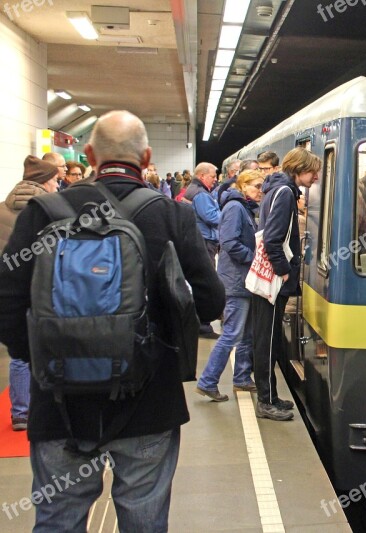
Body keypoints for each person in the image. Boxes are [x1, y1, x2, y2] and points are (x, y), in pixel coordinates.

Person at [0, 110, 225, 531]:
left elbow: (7, 303)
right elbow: (212, 301)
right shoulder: (171, 214)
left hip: (60, 401)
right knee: (143, 521)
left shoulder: (43, 211)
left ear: (89, 154)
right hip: (148, 402)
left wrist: (43, 358)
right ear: (147, 156)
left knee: (57, 522)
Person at [251, 147, 320, 421]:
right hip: (274, 279)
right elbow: (272, 240)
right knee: (266, 341)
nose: (315, 177)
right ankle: (265, 401)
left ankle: (271, 396)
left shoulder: (278, 190)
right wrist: (285, 272)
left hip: (274, 280)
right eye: (313, 171)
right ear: (299, 169)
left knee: (269, 340)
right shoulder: (284, 194)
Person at [0, 155, 60, 432]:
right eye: (56, 180)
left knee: (18, 354)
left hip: (8, 287)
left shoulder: (2, 208)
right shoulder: (49, 211)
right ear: (46, 181)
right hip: (42, 290)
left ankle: (20, 412)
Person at [195, 169, 263, 402]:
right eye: (256, 185)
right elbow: (229, 243)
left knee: (246, 333)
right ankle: (208, 381)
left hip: (242, 280)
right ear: (243, 186)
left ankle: (242, 377)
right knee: (232, 333)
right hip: (236, 280)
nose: (260, 191)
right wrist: (254, 258)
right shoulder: (235, 208)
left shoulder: (241, 207)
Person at [182, 162, 221, 338]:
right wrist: (227, 214)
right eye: (213, 176)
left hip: (198, 238)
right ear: (202, 175)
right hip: (205, 240)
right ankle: (203, 325)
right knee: (205, 281)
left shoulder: (192, 190)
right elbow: (212, 217)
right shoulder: (201, 194)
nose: (215, 180)